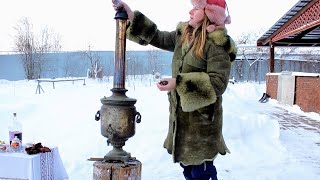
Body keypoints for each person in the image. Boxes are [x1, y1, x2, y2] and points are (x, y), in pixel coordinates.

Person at [112, 0, 237, 179]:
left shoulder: (218, 44)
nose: (190, 11)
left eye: (196, 8)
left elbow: (218, 83)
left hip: (202, 126)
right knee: (188, 170)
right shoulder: (184, 35)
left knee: (201, 172)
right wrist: (131, 15)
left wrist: (178, 83)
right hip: (181, 122)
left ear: (210, 14)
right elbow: (157, 36)